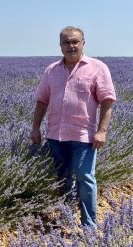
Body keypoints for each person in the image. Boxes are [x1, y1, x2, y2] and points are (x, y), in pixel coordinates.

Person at [30, 26, 116, 227]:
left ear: (83, 43)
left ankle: (89, 226)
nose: (71, 46)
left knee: (85, 178)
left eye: (75, 41)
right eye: (66, 42)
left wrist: (101, 131)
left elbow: (107, 101)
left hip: (83, 135)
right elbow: (42, 100)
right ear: (60, 46)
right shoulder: (51, 70)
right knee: (62, 179)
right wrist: (35, 128)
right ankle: (66, 219)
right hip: (55, 136)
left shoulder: (98, 68)